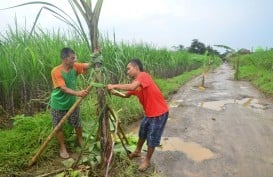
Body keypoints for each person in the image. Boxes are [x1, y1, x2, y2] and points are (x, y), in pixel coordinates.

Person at [107, 58, 169, 171]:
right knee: (142, 132)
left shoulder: (143, 76)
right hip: (149, 113)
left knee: (152, 138)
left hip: (159, 112)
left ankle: (147, 161)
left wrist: (114, 85)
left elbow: (131, 87)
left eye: (128, 69)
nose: (127, 72)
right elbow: (126, 95)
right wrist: (114, 92)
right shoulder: (136, 83)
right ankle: (137, 151)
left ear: (136, 68)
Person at [50, 47, 92, 159]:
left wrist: (96, 56)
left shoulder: (75, 66)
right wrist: (78, 93)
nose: (75, 60)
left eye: (75, 57)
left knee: (77, 124)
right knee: (58, 127)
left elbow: (87, 65)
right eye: (72, 58)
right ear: (64, 59)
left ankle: (80, 140)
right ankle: (62, 147)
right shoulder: (56, 71)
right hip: (58, 104)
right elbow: (63, 88)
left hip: (72, 103)